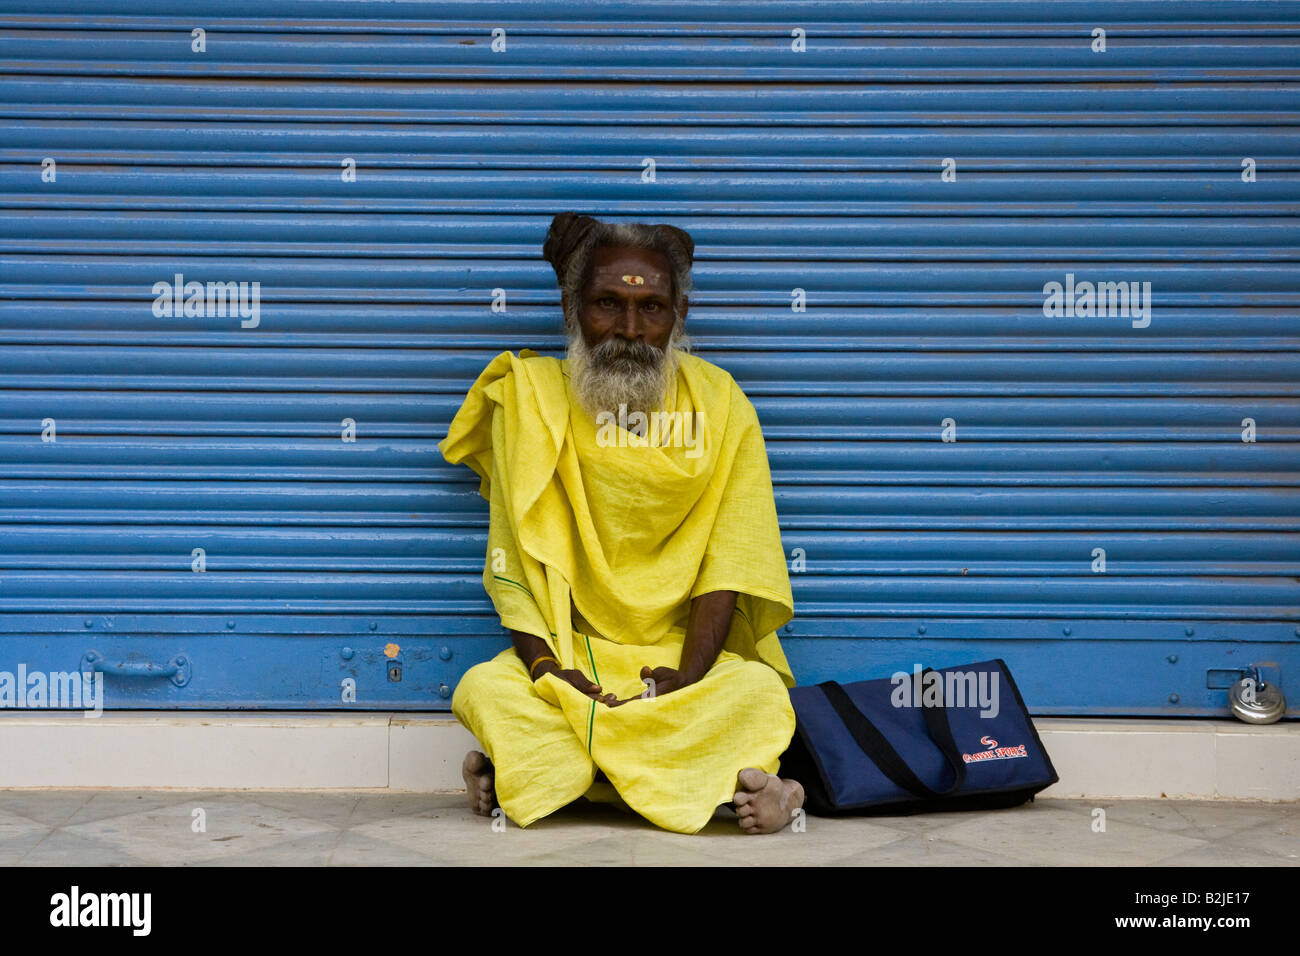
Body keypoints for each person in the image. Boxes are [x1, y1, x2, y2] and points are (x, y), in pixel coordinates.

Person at [437, 212, 805, 835]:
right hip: (570, 659)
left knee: (759, 695)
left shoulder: (721, 404)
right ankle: (723, 780)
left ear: (679, 313)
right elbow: (515, 563)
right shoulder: (528, 398)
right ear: (570, 304)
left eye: (652, 307)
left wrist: (688, 677)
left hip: (679, 665)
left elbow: (732, 561)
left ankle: (544, 776)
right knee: (486, 686)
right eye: (608, 302)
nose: (630, 329)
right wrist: (547, 670)